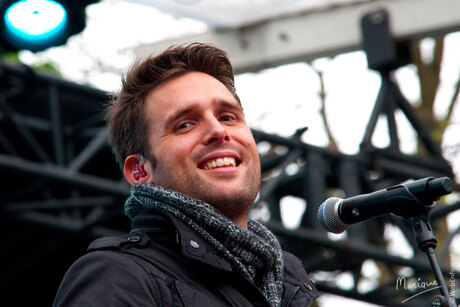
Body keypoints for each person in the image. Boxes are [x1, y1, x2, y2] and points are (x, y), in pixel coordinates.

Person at [53, 43, 319, 306]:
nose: (218, 131)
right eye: (185, 124)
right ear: (139, 170)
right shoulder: (117, 275)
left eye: (227, 117)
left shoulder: (288, 286)